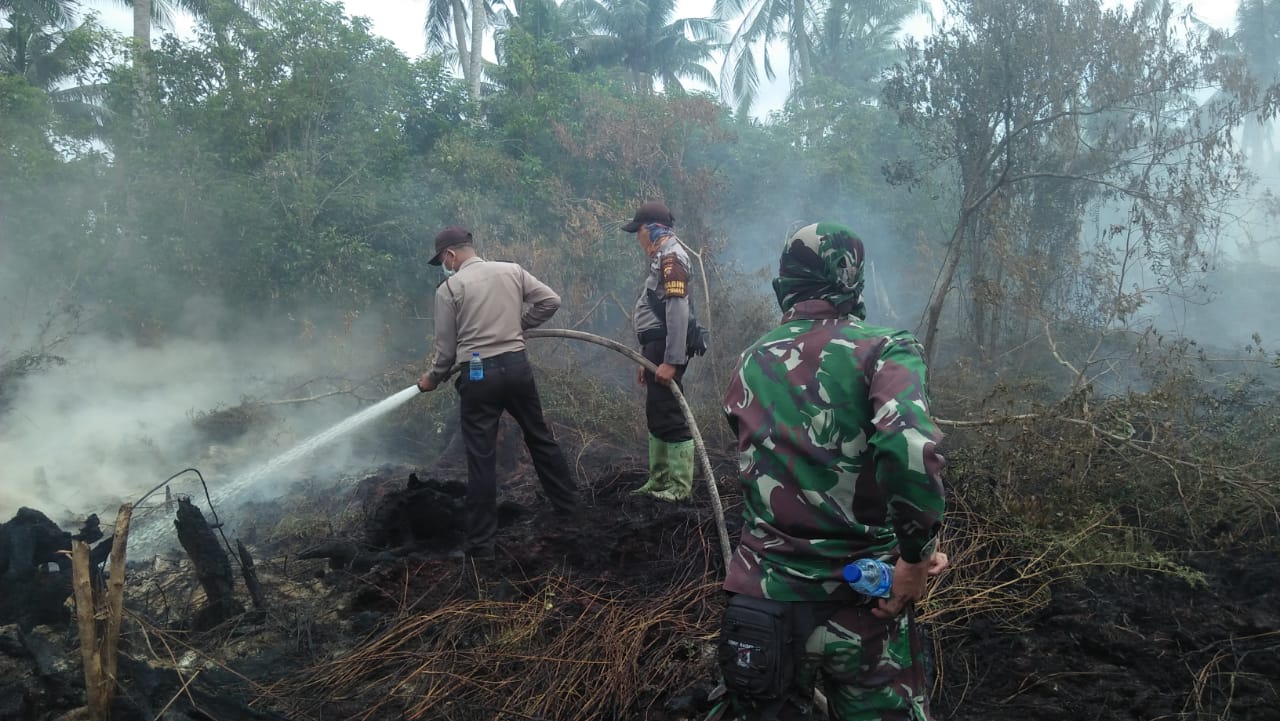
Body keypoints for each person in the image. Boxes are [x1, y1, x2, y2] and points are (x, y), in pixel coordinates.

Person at [711, 223, 949, 721]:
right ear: (852, 280)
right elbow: (910, 450)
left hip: (766, 603)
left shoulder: (750, 360)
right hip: (864, 607)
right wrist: (914, 558)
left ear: (786, 281)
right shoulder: (885, 349)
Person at [417, 226, 578, 559]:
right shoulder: (512, 271)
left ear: (450, 255)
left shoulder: (450, 289)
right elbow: (551, 301)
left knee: (481, 459)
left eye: (443, 260)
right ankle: (571, 511)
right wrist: (520, 326)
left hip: (478, 375)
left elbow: (446, 352)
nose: (445, 266)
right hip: (517, 368)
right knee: (540, 438)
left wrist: (431, 379)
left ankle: (481, 548)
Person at [622, 200, 703, 502]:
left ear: (648, 229)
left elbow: (678, 310)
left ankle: (679, 487)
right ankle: (659, 481)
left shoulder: (672, 257)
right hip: (656, 347)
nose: (638, 239)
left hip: (668, 348)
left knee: (670, 412)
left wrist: (672, 359)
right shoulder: (663, 257)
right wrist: (648, 358)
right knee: (656, 410)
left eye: (638, 231)